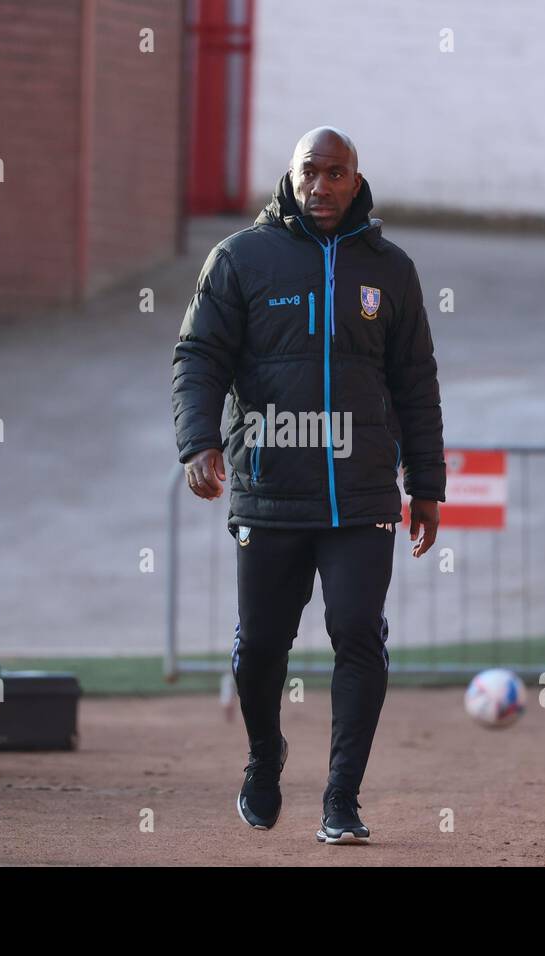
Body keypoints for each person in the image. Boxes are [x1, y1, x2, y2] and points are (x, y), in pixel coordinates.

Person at [172, 127, 446, 843]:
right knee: (263, 645)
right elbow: (198, 354)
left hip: (361, 496)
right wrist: (198, 440)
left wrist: (426, 481)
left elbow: (416, 380)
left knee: (358, 633)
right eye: (309, 172)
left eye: (336, 173)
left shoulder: (391, 270)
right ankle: (265, 758)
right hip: (270, 489)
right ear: (289, 179)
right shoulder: (239, 259)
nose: (321, 186)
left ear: (357, 181)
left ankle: (341, 800)